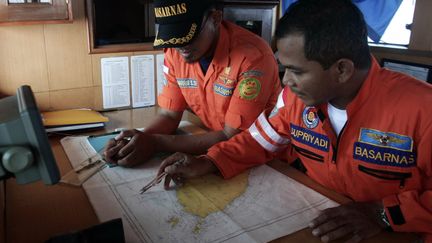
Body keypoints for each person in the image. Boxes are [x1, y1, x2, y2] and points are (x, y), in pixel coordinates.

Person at [156, 0, 432, 242]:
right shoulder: (293, 100)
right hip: (323, 221)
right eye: (284, 67)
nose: (285, 81)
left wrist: (383, 213)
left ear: (342, 70)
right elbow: (259, 140)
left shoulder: (422, 110)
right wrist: (210, 161)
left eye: (296, 71)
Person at [104, 0, 282, 167]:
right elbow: (169, 116)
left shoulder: (253, 58)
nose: (181, 46)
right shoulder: (176, 51)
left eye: (188, 36)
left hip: (266, 159)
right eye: (174, 36)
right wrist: (137, 140)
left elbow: (232, 136)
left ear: (215, 18)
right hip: (213, 146)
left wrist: (155, 143)